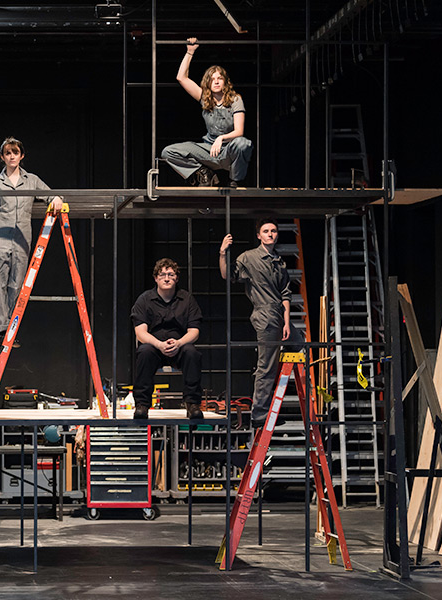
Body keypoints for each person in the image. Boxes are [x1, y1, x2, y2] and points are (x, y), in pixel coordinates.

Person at [0, 137, 62, 346]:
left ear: (21, 156)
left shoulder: (31, 180)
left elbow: (50, 195)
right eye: (8, 153)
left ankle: (12, 328)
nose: (12, 156)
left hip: (21, 238)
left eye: (15, 152)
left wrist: (57, 198)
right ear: (3, 157)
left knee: (18, 285)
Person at [219, 217, 304, 429]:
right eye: (266, 231)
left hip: (279, 315)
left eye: (273, 231)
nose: (270, 234)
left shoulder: (279, 261)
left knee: (299, 343)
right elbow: (228, 275)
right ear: (259, 235)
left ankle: (272, 405)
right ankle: (260, 413)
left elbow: (285, 294)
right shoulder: (249, 258)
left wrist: (287, 322)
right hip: (265, 314)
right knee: (267, 366)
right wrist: (223, 253)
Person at [161, 37, 253, 188]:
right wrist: (190, 52)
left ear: (225, 82)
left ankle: (235, 180)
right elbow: (181, 77)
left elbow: (239, 131)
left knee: (244, 144)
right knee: (168, 152)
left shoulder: (235, 99)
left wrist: (221, 138)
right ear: (208, 83)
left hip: (229, 149)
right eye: (212, 79)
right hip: (209, 151)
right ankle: (204, 172)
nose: (216, 81)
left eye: (219, 78)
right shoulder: (205, 98)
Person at [130, 258, 204, 420]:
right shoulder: (144, 300)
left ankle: (192, 404)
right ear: (155, 278)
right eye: (162, 274)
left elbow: (194, 331)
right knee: (144, 351)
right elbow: (140, 332)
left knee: (192, 352)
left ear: (176, 278)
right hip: (155, 347)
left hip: (180, 346)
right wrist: (159, 344)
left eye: (171, 274)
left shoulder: (187, 299)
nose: (166, 278)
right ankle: (142, 405)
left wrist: (178, 343)